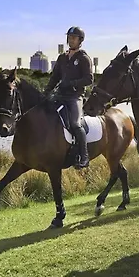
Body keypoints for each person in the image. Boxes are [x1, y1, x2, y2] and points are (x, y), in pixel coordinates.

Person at [44, 26, 93, 169]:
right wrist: (46, 91)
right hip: (60, 95)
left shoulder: (84, 58)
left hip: (75, 97)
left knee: (75, 124)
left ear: (80, 40)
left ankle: (84, 157)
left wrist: (71, 83)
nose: (71, 40)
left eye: (74, 38)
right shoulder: (62, 58)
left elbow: (89, 79)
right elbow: (55, 77)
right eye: (69, 38)